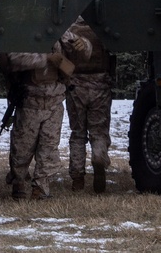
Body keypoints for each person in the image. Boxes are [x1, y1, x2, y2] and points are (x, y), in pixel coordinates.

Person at [0, 47, 73, 199]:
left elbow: (84, 51)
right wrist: (46, 58)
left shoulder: (62, 33)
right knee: (22, 147)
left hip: (55, 101)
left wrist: (82, 45)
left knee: (49, 146)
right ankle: (19, 182)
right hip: (30, 101)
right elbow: (14, 58)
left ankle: (41, 187)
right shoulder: (25, 34)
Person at [60, 17, 114, 193]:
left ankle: (77, 179)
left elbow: (62, 58)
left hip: (76, 85)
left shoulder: (68, 30)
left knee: (78, 134)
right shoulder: (104, 29)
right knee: (98, 131)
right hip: (100, 84)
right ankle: (99, 157)